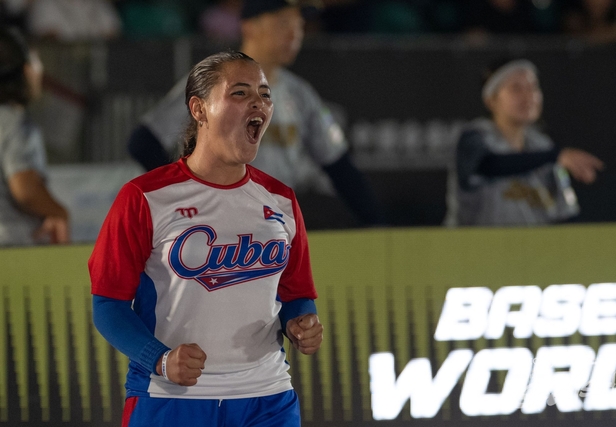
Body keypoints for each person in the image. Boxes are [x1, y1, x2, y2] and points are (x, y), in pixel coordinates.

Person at [89, 51, 323, 427]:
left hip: (268, 398)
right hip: (169, 398)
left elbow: (296, 295)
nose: (258, 103)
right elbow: (108, 304)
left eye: (265, 94)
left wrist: (301, 323)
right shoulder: (145, 197)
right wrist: (160, 359)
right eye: (240, 92)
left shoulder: (281, 199)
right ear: (199, 109)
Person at [127, 0, 384, 227]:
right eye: (283, 22)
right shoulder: (213, 82)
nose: (294, 33)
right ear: (249, 26)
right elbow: (144, 141)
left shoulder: (301, 94)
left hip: (272, 229)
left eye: (299, 24)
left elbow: (340, 165)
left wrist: (380, 227)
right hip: (216, 230)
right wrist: (191, 197)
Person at [454, 58, 605, 226]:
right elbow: (487, 166)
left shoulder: (543, 145)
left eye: (533, 87)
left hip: (533, 242)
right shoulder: (474, 137)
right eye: (516, 89)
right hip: (475, 241)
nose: (529, 96)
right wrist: (553, 156)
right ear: (491, 100)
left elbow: (564, 212)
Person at [0, 26, 69, 246]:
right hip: (12, 249)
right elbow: (26, 189)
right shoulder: (14, 122)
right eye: (36, 61)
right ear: (25, 70)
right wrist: (59, 212)